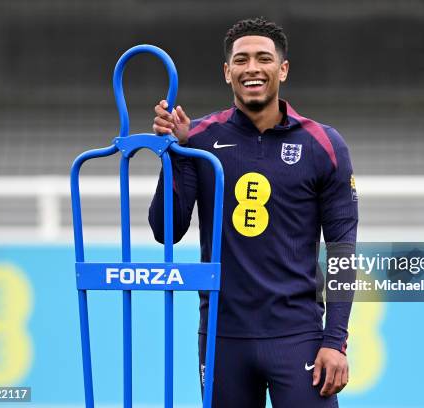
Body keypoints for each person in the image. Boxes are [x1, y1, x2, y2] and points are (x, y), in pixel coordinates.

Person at [149, 17, 358, 408]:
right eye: (241, 60)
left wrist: (336, 341)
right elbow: (166, 230)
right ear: (227, 73)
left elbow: (343, 251)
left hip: (299, 336)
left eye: (263, 58)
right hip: (221, 337)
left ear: (283, 69)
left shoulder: (324, 144)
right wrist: (172, 154)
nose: (252, 68)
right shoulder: (197, 138)